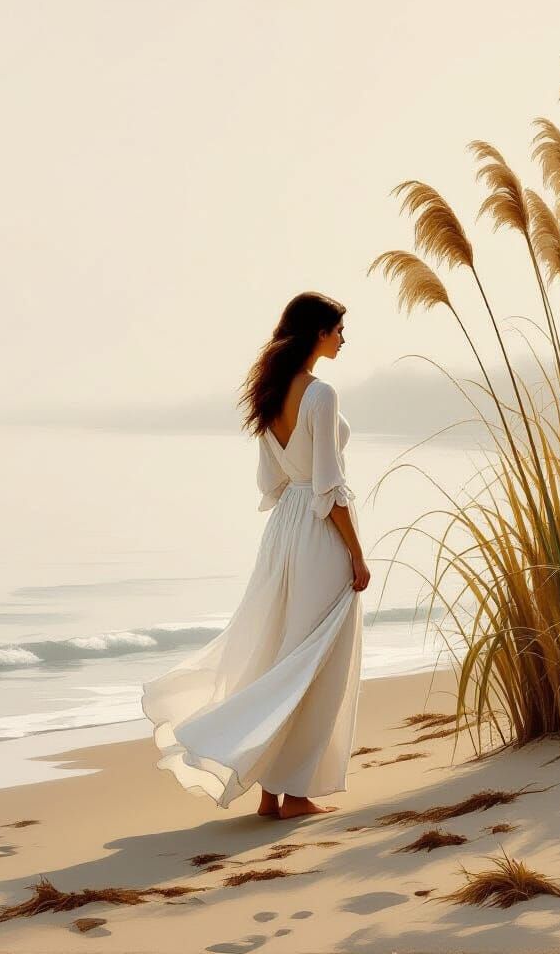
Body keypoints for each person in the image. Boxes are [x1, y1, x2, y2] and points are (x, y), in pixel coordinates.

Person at [141, 291, 370, 821]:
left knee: (282, 653)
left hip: (283, 532)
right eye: (337, 329)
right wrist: (356, 554)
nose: (342, 338)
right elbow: (329, 486)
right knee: (314, 661)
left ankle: (271, 792)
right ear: (317, 332)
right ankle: (293, 794)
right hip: (318, 532)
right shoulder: (321, 394)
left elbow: (277, 481)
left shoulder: (270, 393)